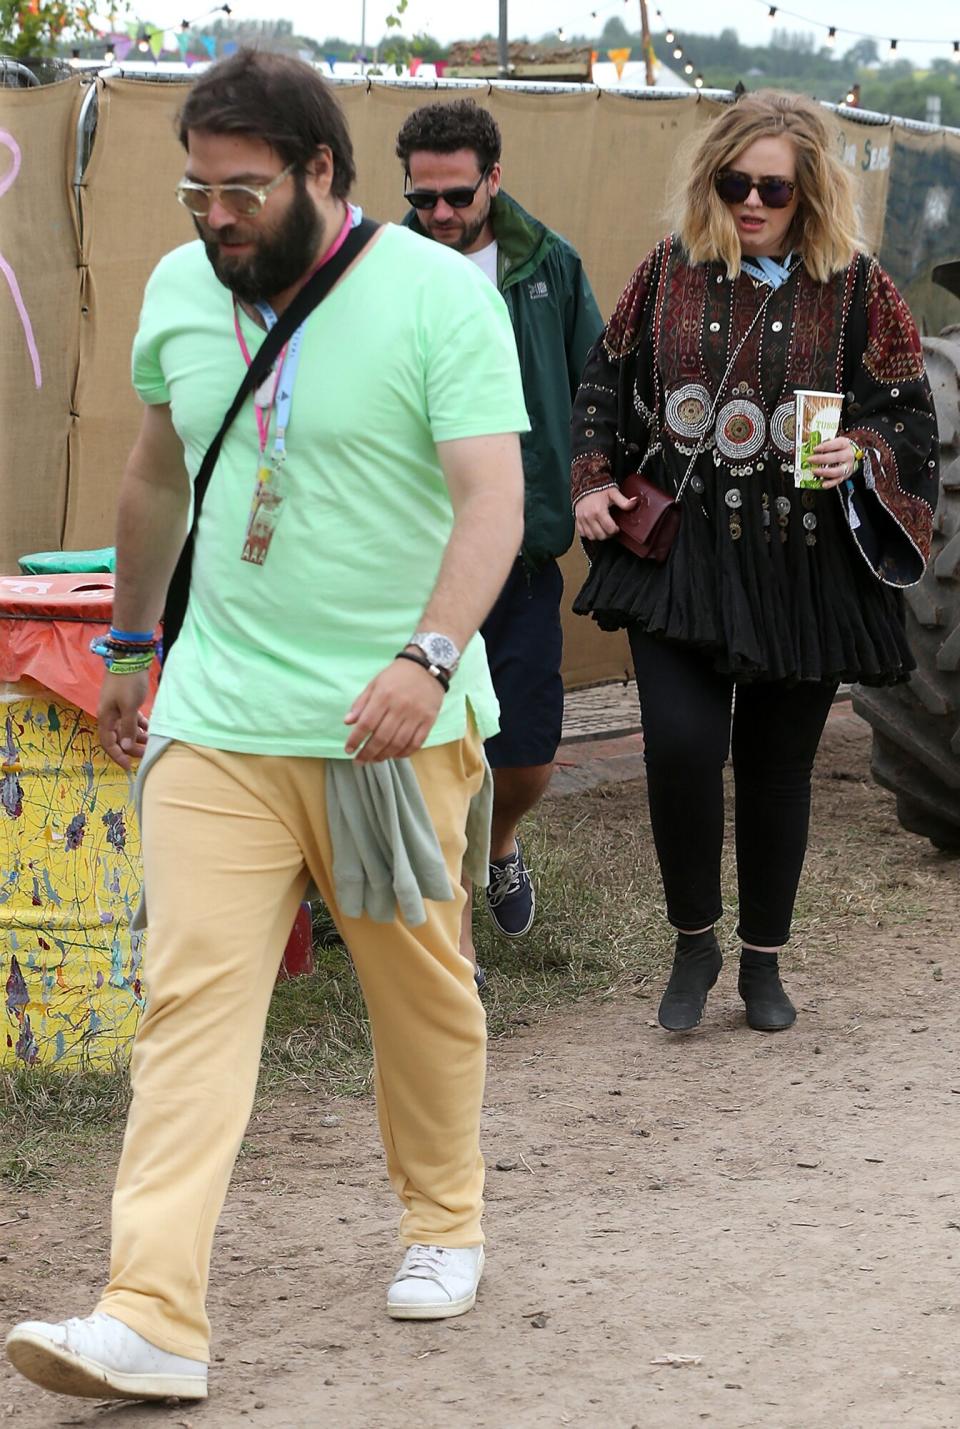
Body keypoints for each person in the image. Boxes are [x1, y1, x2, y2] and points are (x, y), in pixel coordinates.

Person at [5, 51, 528, 1404]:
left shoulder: (435, 299)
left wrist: (428, 657)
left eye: (242, 190)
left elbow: (493, 506)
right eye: (196, 191)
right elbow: (157, 468)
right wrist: (130, 642)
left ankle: (444, 1219)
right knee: (188, 1002)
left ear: (320, 175)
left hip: (382, 730)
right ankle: (152, 1311)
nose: (215, 217)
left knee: (415, 989)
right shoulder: (186, 289)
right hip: (224, 717)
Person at [570, 91, 938, 1035]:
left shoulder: (860, 287)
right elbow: (605, 380)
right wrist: (590, 481)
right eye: (733, 183)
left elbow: (907, 412)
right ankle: (695, 939)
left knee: (778, 770)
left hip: (802, 566)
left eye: (771, 187)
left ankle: (764, 964)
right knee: (684, 748)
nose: (750, 202)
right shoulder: (667, 271)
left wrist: (860, 450)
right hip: (680, 558)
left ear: (808, 191)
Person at [395, 100, 602, 966]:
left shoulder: (548, 264)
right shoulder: (382, 269)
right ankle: (441, 929)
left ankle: (501, 843)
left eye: (456, 196)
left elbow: (594, 386)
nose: (440, 214)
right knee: (416, 750)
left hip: (519, 549)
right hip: (413, 552)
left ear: (493, 179)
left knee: (523, 756)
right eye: (423, 197)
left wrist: (593, 483)